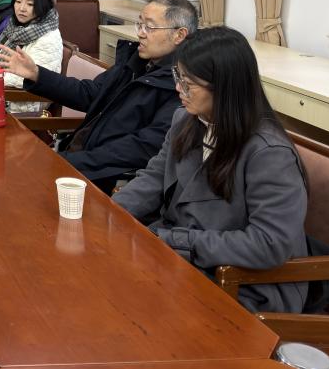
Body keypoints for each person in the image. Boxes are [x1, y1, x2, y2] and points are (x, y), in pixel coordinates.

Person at [114, 27, 309, 313]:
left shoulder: (269, 152)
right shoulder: (186, 120)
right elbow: (154, 177)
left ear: (225, 87)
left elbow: (269, 243)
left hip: (244, 282)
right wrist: (109, 213)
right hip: (184, 258)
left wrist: (178, 240)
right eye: (178, 77)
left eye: (188, 83)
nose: (178, 89)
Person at [0, 0, 198, 193]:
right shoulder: (137, 63)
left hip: (103, 177)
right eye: (139, 24)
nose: (140, 33)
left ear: (179, 35)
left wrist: (66, 162)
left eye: (149, 27)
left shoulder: (181, 88)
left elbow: (140, 148)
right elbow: (90, 93)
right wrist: (37, 74)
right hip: (77, 156)